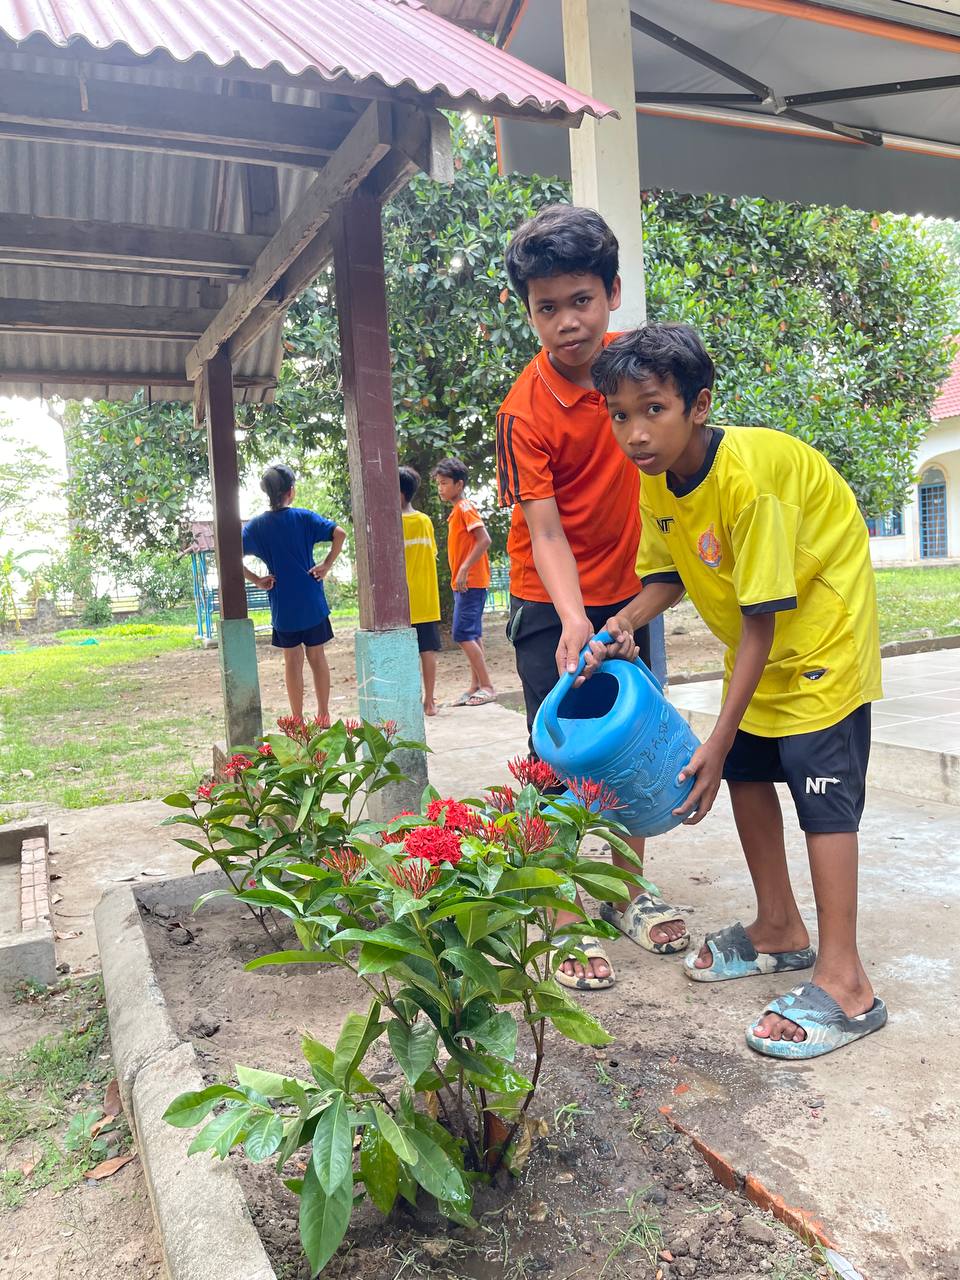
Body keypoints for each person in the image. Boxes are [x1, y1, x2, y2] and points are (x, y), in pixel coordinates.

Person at [584, 322, 887, 1058]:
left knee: (822, 800)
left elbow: (762, 619)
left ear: (698, 404)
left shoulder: (749, 481)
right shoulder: (657, 478)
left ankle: (846, 981)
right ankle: (779, 926)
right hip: (757, 647)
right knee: (751, 774)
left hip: (820, 644)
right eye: (619, 414)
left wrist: (713, 740)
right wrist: (620, 622)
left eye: (652, 408)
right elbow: (668, 574)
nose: (634, 432)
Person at [496, 204, 688, 991]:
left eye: (581, 300)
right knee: (563, 757)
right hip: (552, 604)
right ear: (528, 313)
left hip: (630, 595)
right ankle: (563, 910)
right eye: (547, 308)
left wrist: (637, 606)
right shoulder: (523, 410)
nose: (567, 322)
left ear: (611, 292)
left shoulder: (637, 378)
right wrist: (578, 620)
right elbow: (544, 531)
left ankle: (627, 890)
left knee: (635, 744)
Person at [242, 464, 346, 724]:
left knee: (292, 662)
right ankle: (323, 715)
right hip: (312, 602)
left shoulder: (256, 526)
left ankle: (297, 719)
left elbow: (229, 555)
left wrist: (257, 580)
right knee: (317, 656)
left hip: (283, 606)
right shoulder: (304, 517)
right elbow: (339, 534)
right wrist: (326, 565)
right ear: (291, 491)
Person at [432, 457, 496, 707]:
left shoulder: (465, 508)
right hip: (468, 583)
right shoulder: (457, 510)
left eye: (445, 483)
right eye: (438, 484)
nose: (441, 488)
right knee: (473, 634)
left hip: (471, 581)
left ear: (459, 485)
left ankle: (487, 686)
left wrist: (463, 570)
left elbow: (484, 540)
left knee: (461, 633)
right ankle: (475, 686)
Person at [399, 465, 442, 717]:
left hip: (404, 601)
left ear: (400, 493)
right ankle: (430, 701)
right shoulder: (425, 521)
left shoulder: (394, 523)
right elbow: (432, 554)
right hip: (426, 599)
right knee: (428, 651)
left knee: (407, 653)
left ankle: (411, 700)